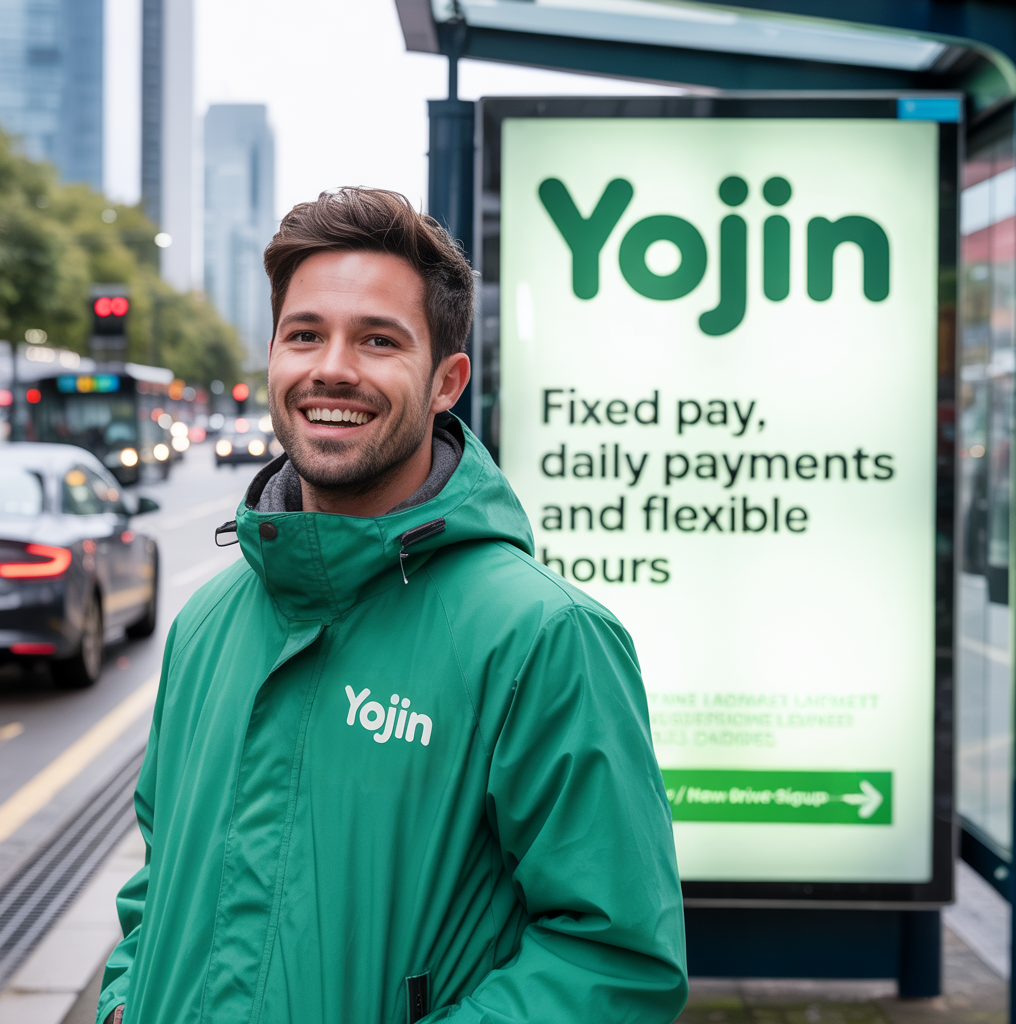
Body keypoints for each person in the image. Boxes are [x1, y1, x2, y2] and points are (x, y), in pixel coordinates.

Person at [97, 188, 687, 1024]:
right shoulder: (207, 622)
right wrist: (125, 1001)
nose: (332, 367)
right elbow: (162, 875)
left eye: (378, 340)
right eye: (305, 335)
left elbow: (615, 958)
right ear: (272, 356)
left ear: (446, 381)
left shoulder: (542, 639)